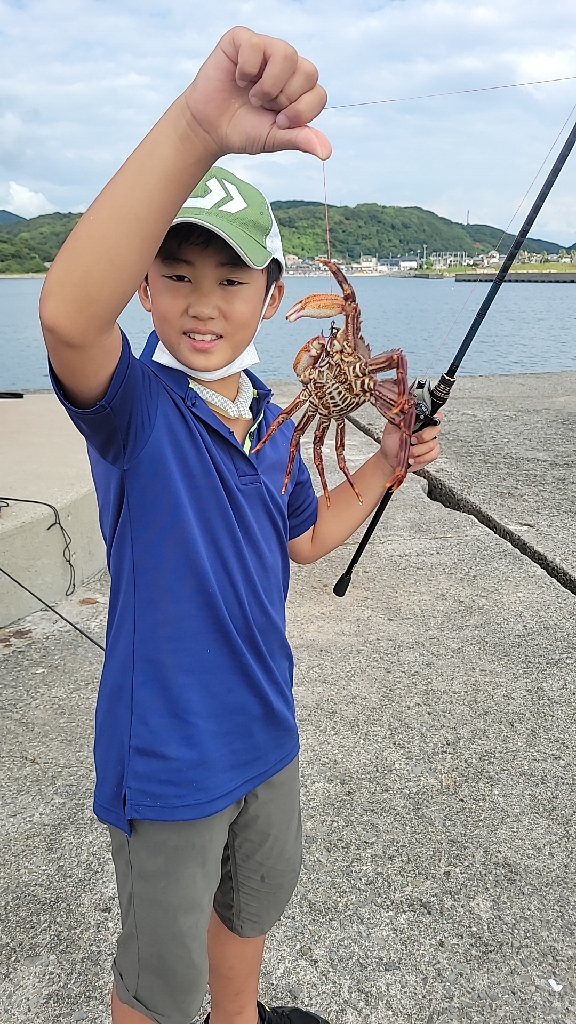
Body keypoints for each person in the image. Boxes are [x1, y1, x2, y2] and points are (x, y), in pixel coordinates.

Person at [39, 27, 442, 1024]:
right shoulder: (132, 410)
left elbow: (302, 537)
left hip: (267, 730)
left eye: (230, 279)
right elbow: (64, 318)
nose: (203, 302)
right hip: (168, 759)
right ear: (142, 287)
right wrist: (197, 129)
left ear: (273, 296)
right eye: (175, 275)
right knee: (157, 978)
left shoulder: (273, 418)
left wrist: (387, 463)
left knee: (252, 904)